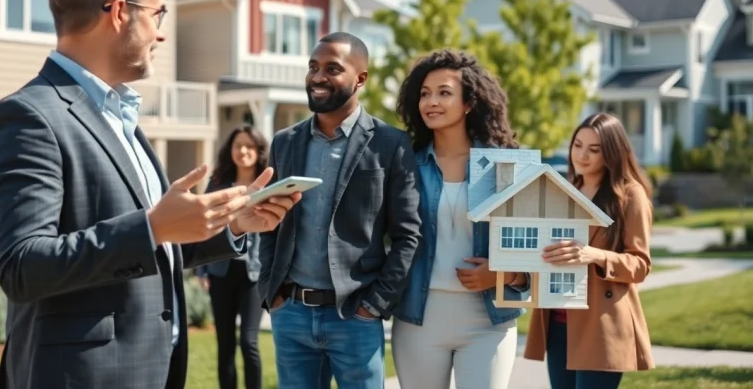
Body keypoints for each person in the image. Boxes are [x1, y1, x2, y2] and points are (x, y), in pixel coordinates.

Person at [0, 0, 299, 389]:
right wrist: (152, 227)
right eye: (157, 13)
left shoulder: (120, 117)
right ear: (120, 11)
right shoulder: (28, 117)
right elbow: (22, 267)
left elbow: (153, 247)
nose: (162, 31)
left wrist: (232, 223)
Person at [258, 31, 423, 388]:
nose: (318, 77)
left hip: (355, 317)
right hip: (291, 314)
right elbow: (269, 223)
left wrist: (374, 306)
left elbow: (409, 236)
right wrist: (271, 294)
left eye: (332, 68)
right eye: (313, 67)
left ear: (360, 78)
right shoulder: (284, 142)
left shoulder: (390, 145)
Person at [390, 49, 529, 389]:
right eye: (424, 94)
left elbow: (534, 242)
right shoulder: (403, 163)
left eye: (444, 92)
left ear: (469, 102)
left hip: (488, 320)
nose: (431, 102)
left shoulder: (504, 165)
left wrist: (505, 273)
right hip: (417, 319)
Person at [523, 112, 655, 389]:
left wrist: (593, 255)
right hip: (558, 319)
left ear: (612, 153)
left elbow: (640, 264)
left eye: (594, 149)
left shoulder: (630, 195)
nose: (581, 155)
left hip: (601, 322)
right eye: (577, 145)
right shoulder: (566, 190)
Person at [195, 125, 269, 389]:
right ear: (231, 150)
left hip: (254, 275)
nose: (243, 151)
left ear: (259, 151)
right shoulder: (217, 184)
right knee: (224, 344)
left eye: (249, 145)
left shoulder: (269, 185)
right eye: (238, 145)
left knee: (249, 342)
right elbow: (203, 228)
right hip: (220, 272)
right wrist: (202, 272)